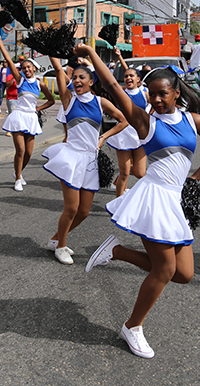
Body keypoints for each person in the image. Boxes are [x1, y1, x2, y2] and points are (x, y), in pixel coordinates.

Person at [82, 43, 200, 359]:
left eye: (163, 94)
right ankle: (132, 327)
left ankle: (116, 251)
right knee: (164, 270)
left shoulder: (195, 121)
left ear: (176, 93)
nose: (157, 99)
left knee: (183, 274)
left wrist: (195, 178)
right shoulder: (146, 122)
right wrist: (92, 54)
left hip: (176, 200)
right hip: (155, 197)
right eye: (152, 94)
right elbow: (113, 86)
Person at [43, 56, 127, 265]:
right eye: (74, 77)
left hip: (91, 160)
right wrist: (53, 53)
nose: (77, 80)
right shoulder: (69, 100)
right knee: (71, 209)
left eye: (82, 77)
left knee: (83, 212)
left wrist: (103, 137)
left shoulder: (100, 102)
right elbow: (58, 69)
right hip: (71, 158)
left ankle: (55, 239)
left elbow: (123, 120)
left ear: (91, 81)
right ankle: (60, 246)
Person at [0, 34, 55, 191]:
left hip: (31, 118)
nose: (26, 69)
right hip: (19, 116)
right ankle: (18, 178)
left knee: (28, 153)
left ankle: (18, 172)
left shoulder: (40, 84)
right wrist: (0, 43)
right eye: (24, 68)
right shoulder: (20, 80)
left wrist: (38, 109)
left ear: (34, 68)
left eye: (29, 67)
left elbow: (51, 101)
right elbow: (9, 61)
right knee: (20, 150)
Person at [108, 48, 148, 196]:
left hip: (140, 136)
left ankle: (120, 176)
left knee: (140, 173)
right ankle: (118, 202)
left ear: (139, 80)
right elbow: (111, 80)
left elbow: (160, 104)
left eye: (132, 76)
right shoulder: (121, 93)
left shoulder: (144, 93)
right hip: (123, 135)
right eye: (126, 76)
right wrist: (119, 57)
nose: (128, 78)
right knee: (124, 173)